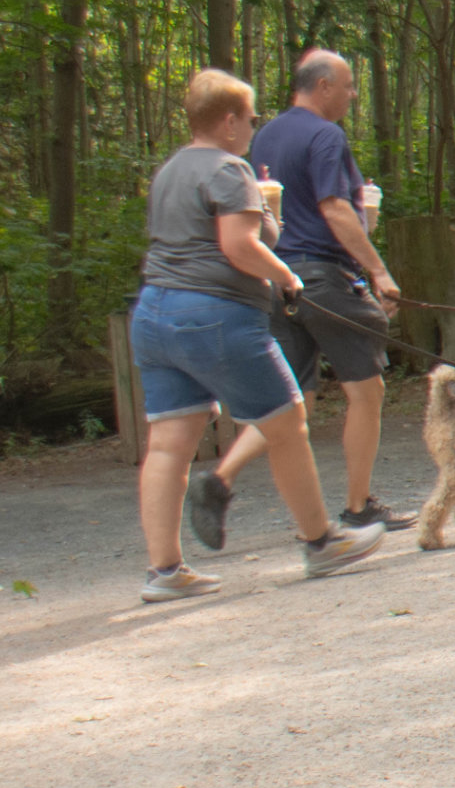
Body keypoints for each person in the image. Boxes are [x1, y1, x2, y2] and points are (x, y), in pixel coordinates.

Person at [128, 69, 387, 601]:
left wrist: (269, 215)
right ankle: (321, 543)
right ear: (227, 122)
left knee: (169, 443)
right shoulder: (229, 169)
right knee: (288, 422)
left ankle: (165, 571)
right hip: (216, 315)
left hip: (154, 313)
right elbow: (238, 245)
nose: (253, 126)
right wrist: (287, 277)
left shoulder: (170, 169)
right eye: (248, 118)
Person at [188, 49, 411, 548]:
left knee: (291, 401)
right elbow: (334, 209)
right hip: (324, 277)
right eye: (349, 86)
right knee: (366, 390)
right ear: (324, 85)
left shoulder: (263, 135)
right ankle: (358, 506)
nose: (352, 96)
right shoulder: (326, 135)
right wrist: (378, 270)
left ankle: (219, 480)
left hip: (279, 279)